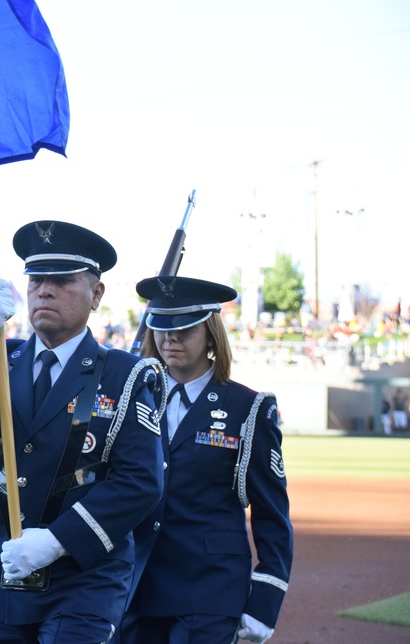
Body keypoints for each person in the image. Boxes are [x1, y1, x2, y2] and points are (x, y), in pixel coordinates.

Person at [0, 220, 165, 644]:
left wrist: (59, 540)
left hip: (82, 573)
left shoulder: (125, 376)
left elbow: (141, 481)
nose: (44, 290)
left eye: (62, 280)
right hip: (3, 563)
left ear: (96, 294)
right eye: (36, 280)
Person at [120, 276, 293, 644]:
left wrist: (266, 598)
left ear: (211, 333)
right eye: (162, 329)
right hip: (137, 583)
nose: (170, 339)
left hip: (209, 588)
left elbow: (271, 513)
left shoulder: (248, 408)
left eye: (184, 329)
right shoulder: (135, 399)